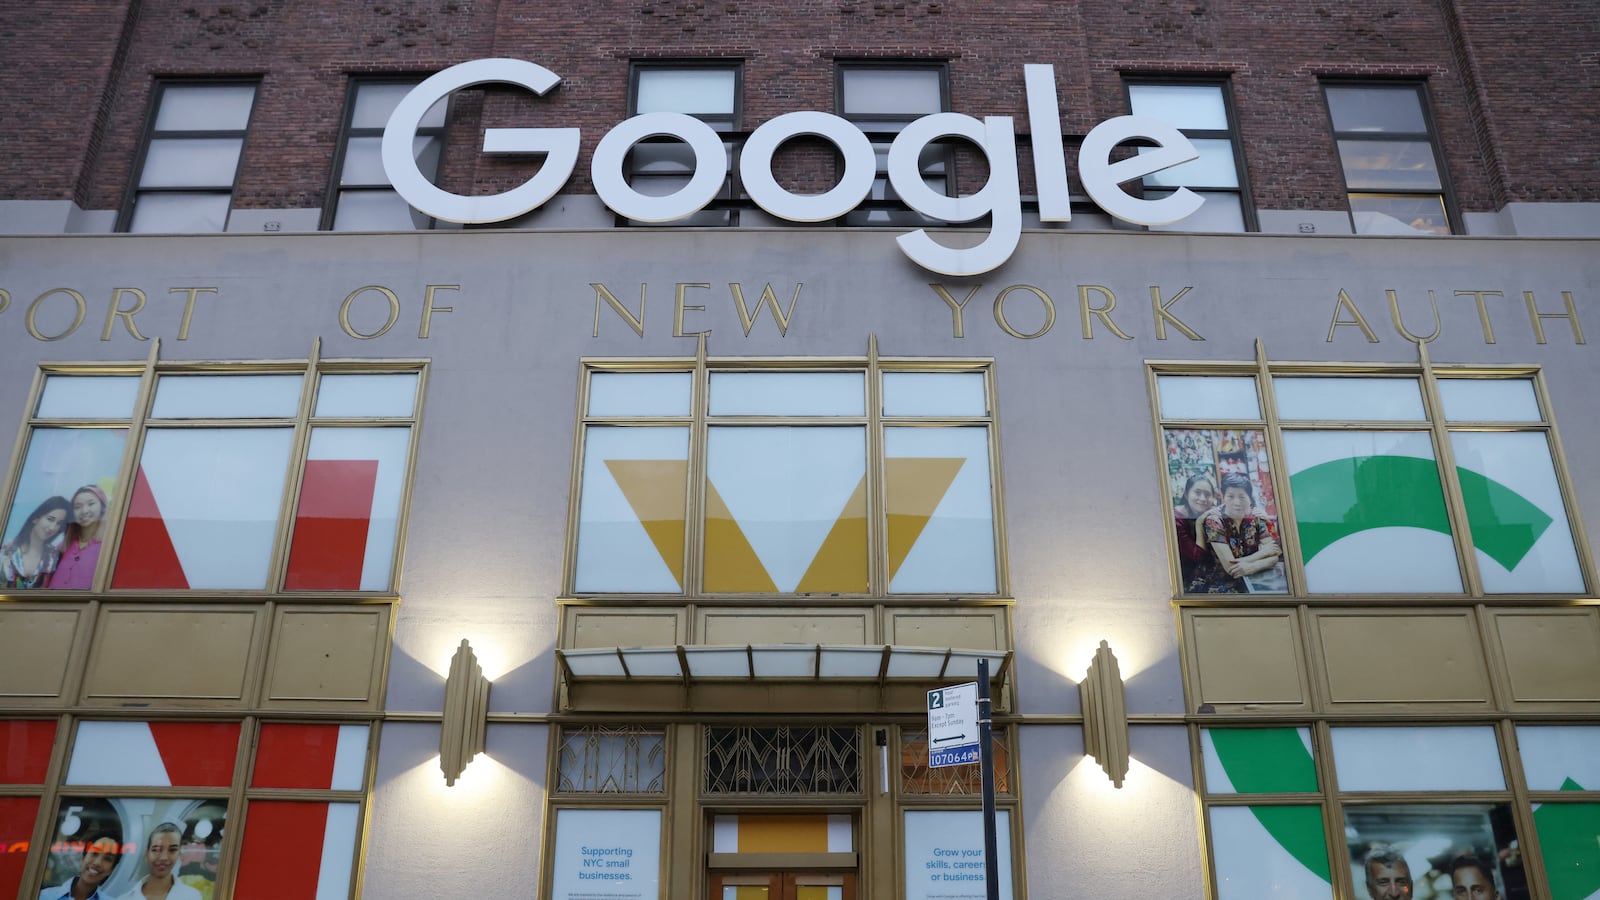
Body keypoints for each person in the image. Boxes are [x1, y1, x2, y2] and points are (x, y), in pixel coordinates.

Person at [1189, 474, 1281, 593]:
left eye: (1242, 497)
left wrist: (1253, 566)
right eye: (1230, 496)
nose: (1237, 502)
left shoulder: (1257, 517)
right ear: (1223, 497)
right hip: (1217, 584)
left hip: (1251, 578)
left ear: (1249, 498)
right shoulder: (1214, 521)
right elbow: (1231, 568)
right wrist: (1264, 553)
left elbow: (1274, 555)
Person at [115, 823, 200, 900]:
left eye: (172, 850)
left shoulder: (192, 896)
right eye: (157, 849)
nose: (163, 857)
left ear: (179, 854)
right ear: (146, 854)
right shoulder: (125, 898)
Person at [3, 496, 71, 589]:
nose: (52, 528)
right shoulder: (7, 552)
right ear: (36, 518)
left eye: (59, 523)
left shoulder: (55, 557)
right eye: (50, 519)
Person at [49, 486, 109, 590]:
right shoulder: (64, 545)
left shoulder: (108, 545)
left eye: (91, 504)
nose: (84, 511)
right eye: (77, 507)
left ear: (102, 507)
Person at [39, 832, 121, 900]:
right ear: (83, 857)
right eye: (94, 853)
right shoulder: (44, 896)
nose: (97, 863)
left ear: (111, 870)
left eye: (107, 859)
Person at [1174, 472, 1218, 587]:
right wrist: (1199, 523)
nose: (1203, 498)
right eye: (1197, 493)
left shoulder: (1209, 513)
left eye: (1208, 494)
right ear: (1186, 494)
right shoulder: (1177, 520)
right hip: (1183, 579)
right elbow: (1198, 556)